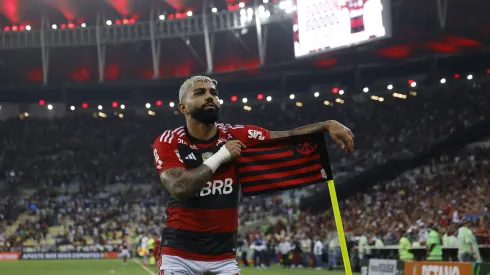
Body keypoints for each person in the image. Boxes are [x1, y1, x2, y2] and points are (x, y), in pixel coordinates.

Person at [153, 75, 354, 275]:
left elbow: (286, 137)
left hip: (223, 258)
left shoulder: (237, 135)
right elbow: (180, 188)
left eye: (213, 93)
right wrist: (221, 155)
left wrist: (327, 125)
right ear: (183, 108)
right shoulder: (169, 141)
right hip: (179, 256)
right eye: (200, 93)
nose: (209, 97)